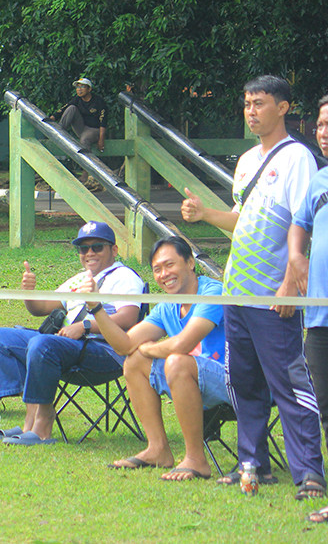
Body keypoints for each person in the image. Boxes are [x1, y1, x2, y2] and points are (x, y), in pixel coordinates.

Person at [182, 74, 325, 500]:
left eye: (259, 103)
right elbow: (241, 219)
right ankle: (253, 464)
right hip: (237, 292)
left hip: (273, 296)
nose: (251, 111)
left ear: (283, 107)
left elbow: (303, 225)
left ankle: (309, 474)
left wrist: (289, 286)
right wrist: (205, 214)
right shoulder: (246, 161)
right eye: (246, 103)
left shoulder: (298, 158)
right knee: (243, 383)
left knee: (289, 385)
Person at [82, 236, 229, 481]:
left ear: (190, 263)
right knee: (134, 362)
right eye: (157, 269)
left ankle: (195, 459)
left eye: (170, 265)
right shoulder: (167, 307)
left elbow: (183, 344)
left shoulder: (212, 291)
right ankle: (157, 448)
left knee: (176, 361)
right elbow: (124, 345)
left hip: (233, 380)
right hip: (191, 379)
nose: (164, 274)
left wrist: (150, 349)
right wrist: (96, 307)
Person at [0, 221, 146, 445]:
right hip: (66, 348)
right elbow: (40, 308)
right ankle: (30, 417)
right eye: (83, 248)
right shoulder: (79, 279)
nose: (89, 253)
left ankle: (42, 428)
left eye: (97, 247)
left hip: (104, 351)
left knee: (42, 344)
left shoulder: (125, 277)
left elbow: (129, 318)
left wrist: (84, 326)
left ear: (114, 250)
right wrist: (28, 293)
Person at [288, 94, 328, 523]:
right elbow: (299, 223)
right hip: (319, 318)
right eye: (320, 124)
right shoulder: (320, 180)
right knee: (327, 409)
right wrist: (297, 255)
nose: (323, 132)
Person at [50, 77, 107, 152]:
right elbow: (64, 108)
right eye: (77, 87)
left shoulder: (98, 101)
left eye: (82, 87)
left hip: (94, 130)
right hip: (81, 128)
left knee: (84, 139)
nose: (79, 89)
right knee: (71, 108)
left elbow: (103, 121)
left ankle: (86, 159)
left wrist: (101, 139)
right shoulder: (77, 100)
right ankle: (59, 131)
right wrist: (51, 118)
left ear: (89, 89)